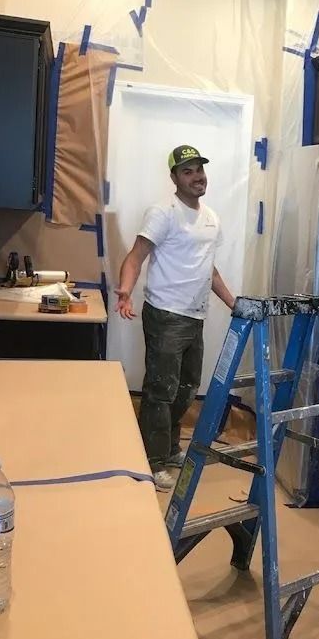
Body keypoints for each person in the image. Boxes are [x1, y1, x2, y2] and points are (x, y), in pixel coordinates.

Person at [115, 145, 236, 491]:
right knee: (160, 391)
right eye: (188, 171)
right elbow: (136, 256)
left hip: (195, 316)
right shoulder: (163, 213)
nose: (197, 176)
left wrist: (232, 302)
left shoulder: (211, 218)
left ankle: (168, 448)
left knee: (186, 389)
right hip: (166, 314)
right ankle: (150, 462)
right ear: (174, 178)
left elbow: (208, 269)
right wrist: (125, 289)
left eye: (200, 169)